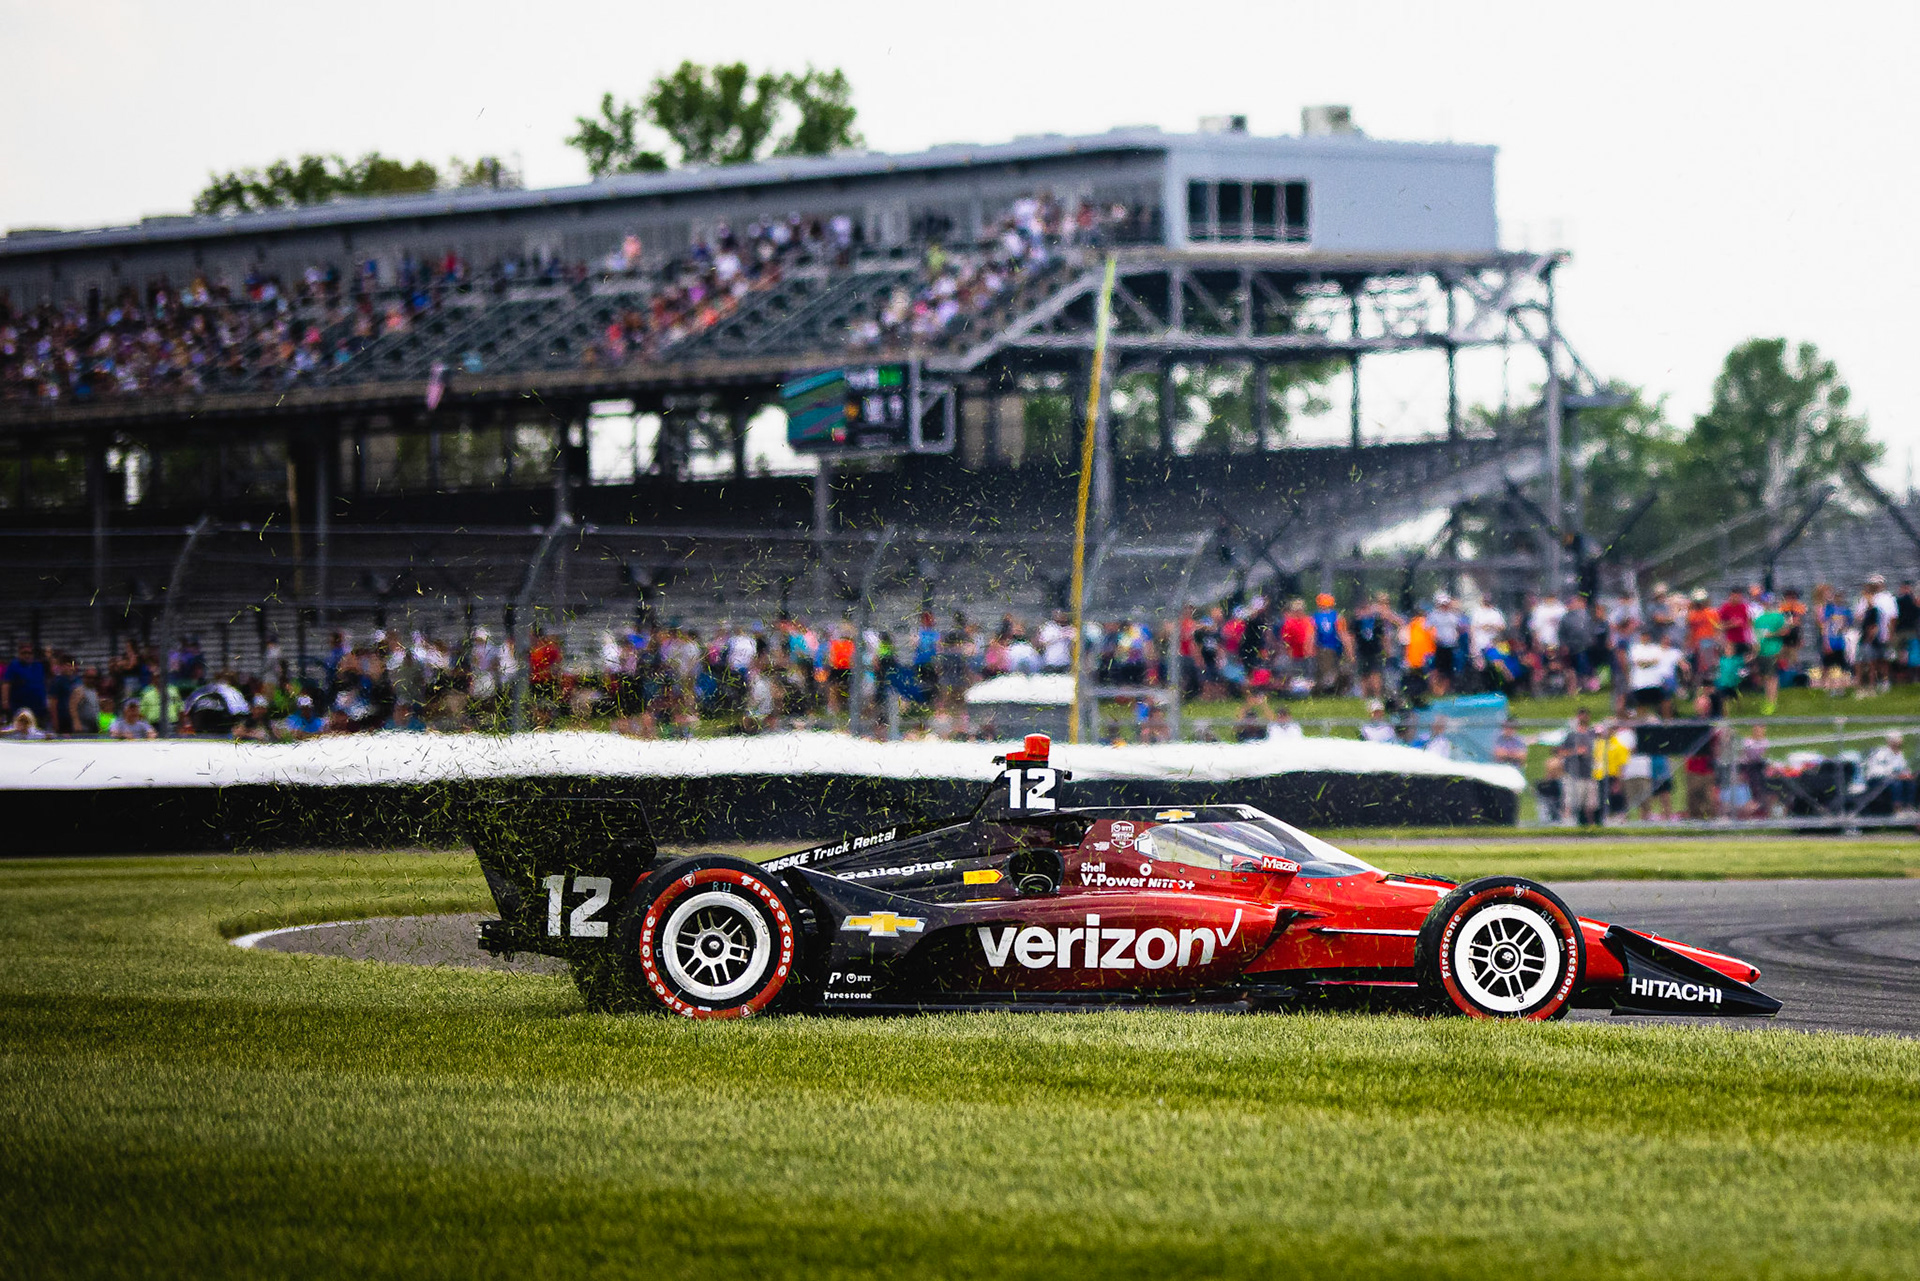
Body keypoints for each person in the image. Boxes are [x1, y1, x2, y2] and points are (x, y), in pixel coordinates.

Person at [1681, 694, 1721, 820]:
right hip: (1693, 767)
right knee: (1693, 797)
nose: (1702, 707)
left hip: (1708, 767)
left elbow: (1718, 744)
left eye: (1705, 704)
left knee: (1709, 799)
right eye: (1700, 704)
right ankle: (1695, 824)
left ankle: (1711, 825)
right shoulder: (1690, 723)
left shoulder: (1714, 722)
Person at [1750, 593, 1788, 714]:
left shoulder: (1777, 616)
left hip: (1773, 649)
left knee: (1772, 677)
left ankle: (1772, 701)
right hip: (1762, 650)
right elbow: (1756, 636)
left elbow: (1785, 631)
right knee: (1766, 676)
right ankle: (1769, 699)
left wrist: (1772, 634)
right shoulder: (1759, 618)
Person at [1864, 733, 1916, 814]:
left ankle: (1909, 808)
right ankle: (1897, 810)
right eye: (1895, 741)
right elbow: (1877, 770)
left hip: (1894, 778)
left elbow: (1903, 767)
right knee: (1896, 784)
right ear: (1889, 742)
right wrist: (1897, 775)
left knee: (1910, 782)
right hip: (1876, 779)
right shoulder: (1881, 753)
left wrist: (1907, 774)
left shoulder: (1899, 754)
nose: (1898, 743)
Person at [1563, 708, 1598, 826]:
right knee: (1570, 803)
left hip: (1589, 773)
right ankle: (1568, 825)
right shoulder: (1572, 735)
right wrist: (1576, 752)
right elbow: (1561, 752)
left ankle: (1590, 827)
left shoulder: (1592, 734)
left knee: (1590, 805)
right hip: (1574, 774)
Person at [1311, 594, 1348, 695]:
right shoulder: (1337, 616)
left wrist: (1310, 649)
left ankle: (1323, 692)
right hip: (1336, 647)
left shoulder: (1315, 617)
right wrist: (1348, 650)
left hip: (1322, 648)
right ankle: (1331, 692)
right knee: (1333, 671)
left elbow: (1312, 635)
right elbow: (1343, 635)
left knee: (1323, 671)